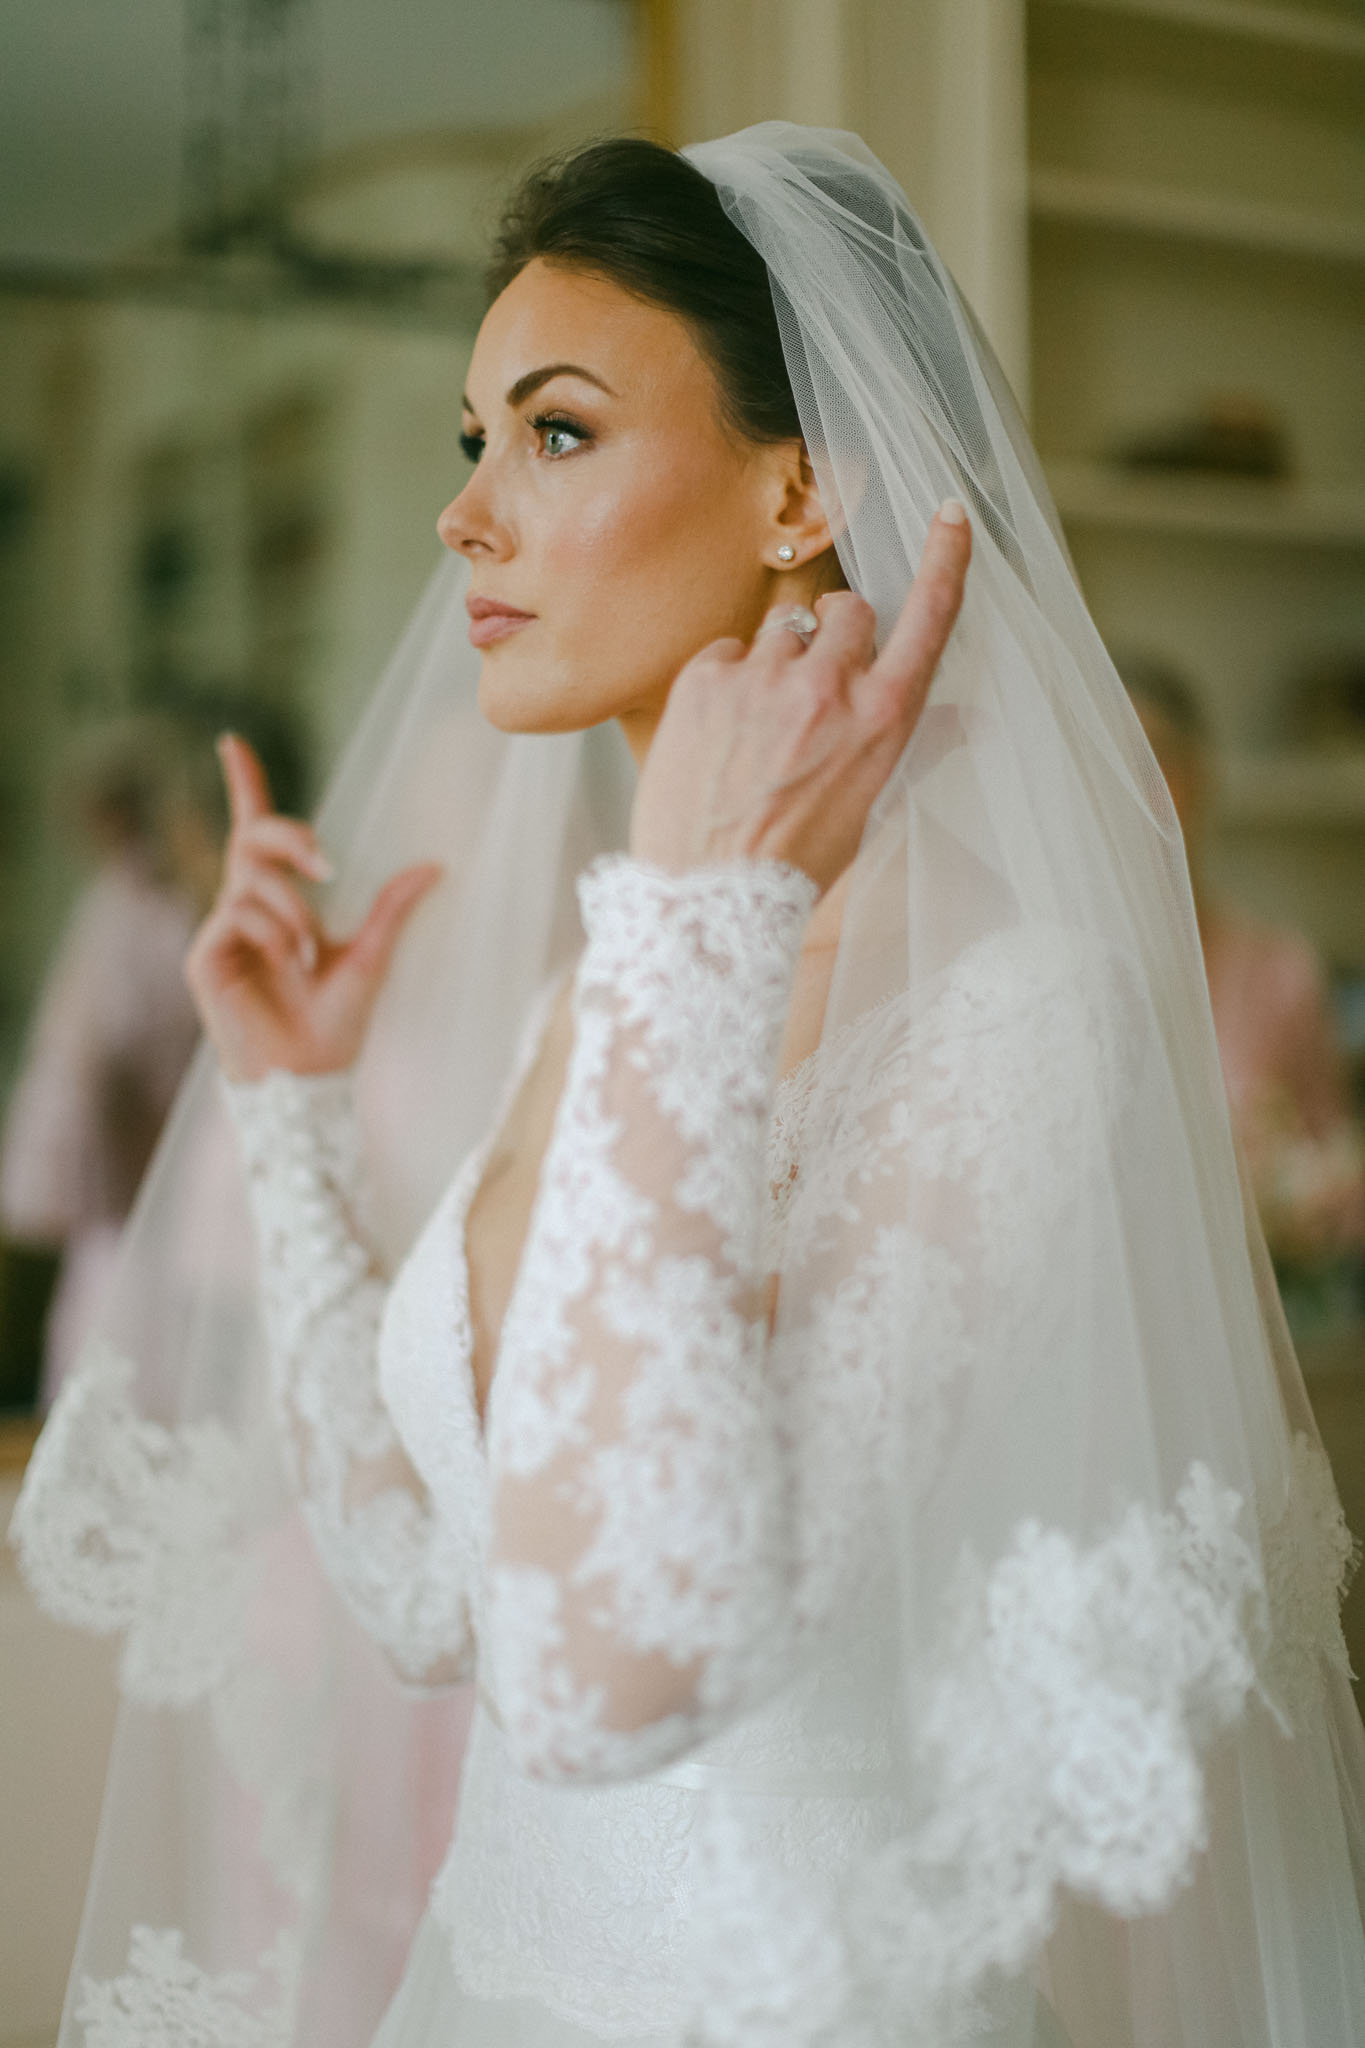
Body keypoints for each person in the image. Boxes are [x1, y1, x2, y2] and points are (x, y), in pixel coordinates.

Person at [12, 126, 1365, 2048]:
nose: (464, 517)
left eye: (553, 431)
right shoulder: (615, 977)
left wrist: (696, 939)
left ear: (803, 486)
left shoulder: (1010, 1007)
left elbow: (619, 1661)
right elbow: (432, 1592)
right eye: (472, 440)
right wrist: (290, 1110)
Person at [1122, 654, 1365, 1300]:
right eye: (1112, 762)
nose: (1138, 790)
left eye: (1158, 760)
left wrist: (1298, 1205)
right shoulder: (1047, 982)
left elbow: (1336, 1168)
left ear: (1201, 774)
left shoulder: (1283, 970)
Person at [0, 723, 204, 1408]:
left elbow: (137, 1036)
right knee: (93, 1301)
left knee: (127, 1310)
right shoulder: (115, 893)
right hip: (97, 1152)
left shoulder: (161, 905)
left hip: (139, 1143)